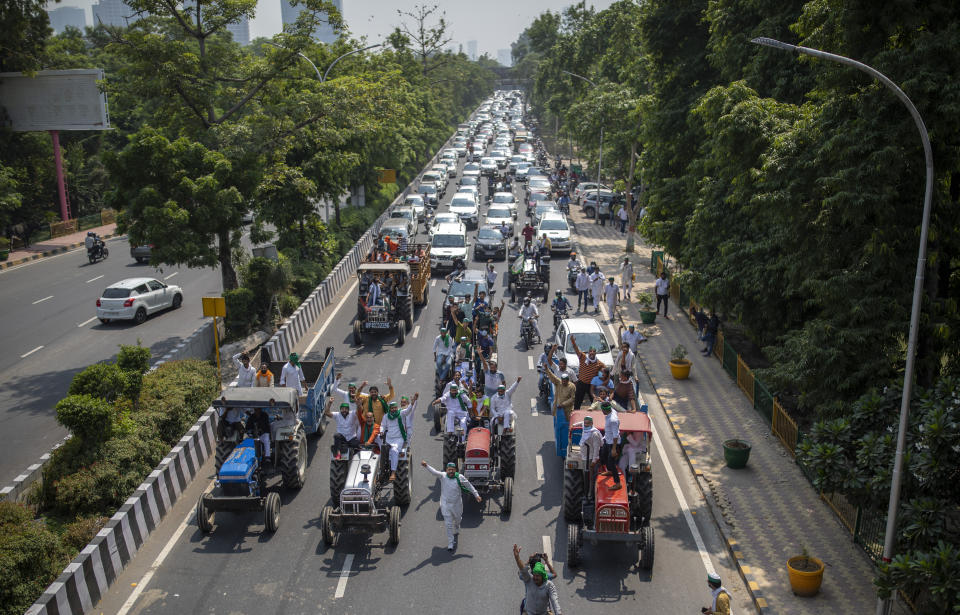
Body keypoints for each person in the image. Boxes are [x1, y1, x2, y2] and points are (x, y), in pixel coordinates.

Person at [421, 460, 481, 552]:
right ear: (446, 470)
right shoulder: (443, 476)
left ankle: (457, 526)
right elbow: (434, 472)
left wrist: (476, 495)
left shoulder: (459, 477)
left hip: (457, 504)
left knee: (458, 519)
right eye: (449, 470)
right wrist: (426, 466)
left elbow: (469, 486)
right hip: (446, 504)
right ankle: (450, 543)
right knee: (448, 524)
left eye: (453, 470)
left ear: (455, 470)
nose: (451, 471)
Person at [513, 544, 562, 615]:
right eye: (534, 575)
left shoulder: (549, 585)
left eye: (537, 576)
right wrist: (517, 558)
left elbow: (555, 602)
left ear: (543, 576)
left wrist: (559, 613)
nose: (535, 578)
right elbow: (522, 570)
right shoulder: (529, 579)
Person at [379, 398, 416, 481]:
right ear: (390, 409)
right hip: (389, 439)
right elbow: (383, 426)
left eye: (395, 408)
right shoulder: (386, 416)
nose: (394, 409)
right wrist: (381, 431)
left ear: (397, 408)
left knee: (394, 451)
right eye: (392, 408)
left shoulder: (401, 413)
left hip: (398, 439)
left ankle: (393, 473)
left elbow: (408, 410)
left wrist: (412, 404)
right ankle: (381, 472)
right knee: (382, 451)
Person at [570, 335, 605, 409]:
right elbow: (576, 350)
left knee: (594, 402)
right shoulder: (583, 357)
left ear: (596, 353)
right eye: (590, 351)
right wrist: (573, 342)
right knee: (577, 402)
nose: (592, 353)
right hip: (581, 383)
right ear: (588, 352)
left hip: (591, 386)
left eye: (594, 351)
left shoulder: (599, 363)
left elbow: (606, 371)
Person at [598, 401, 621, 490]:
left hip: (613, 444)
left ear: (605, 411)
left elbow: (616, 435)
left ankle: (617, 483)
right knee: (603, 455)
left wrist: (614, 449)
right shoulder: (612, 410)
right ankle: (610, 471)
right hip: (607, 440)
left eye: (602, 410)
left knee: (611, 463)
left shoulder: (613, 420)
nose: (601, 411)